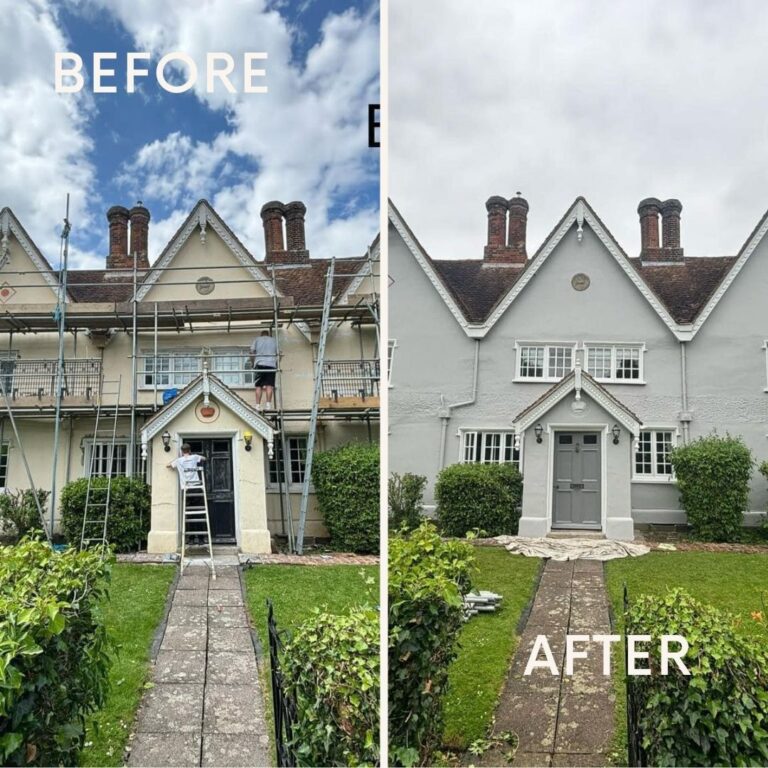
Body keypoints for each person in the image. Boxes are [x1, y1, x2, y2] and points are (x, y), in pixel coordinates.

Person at [250, 329, 278, 411]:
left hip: (260, 364)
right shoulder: (274, 340)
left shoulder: (257, 339)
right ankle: (268, 405)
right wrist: (276, 364)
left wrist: (252, 363)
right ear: (268, 334)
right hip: (271, 364)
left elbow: (251, 352)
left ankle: (257, 406)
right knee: (269, 386)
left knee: (259, 386)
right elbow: (279, 353)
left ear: (261, 334)